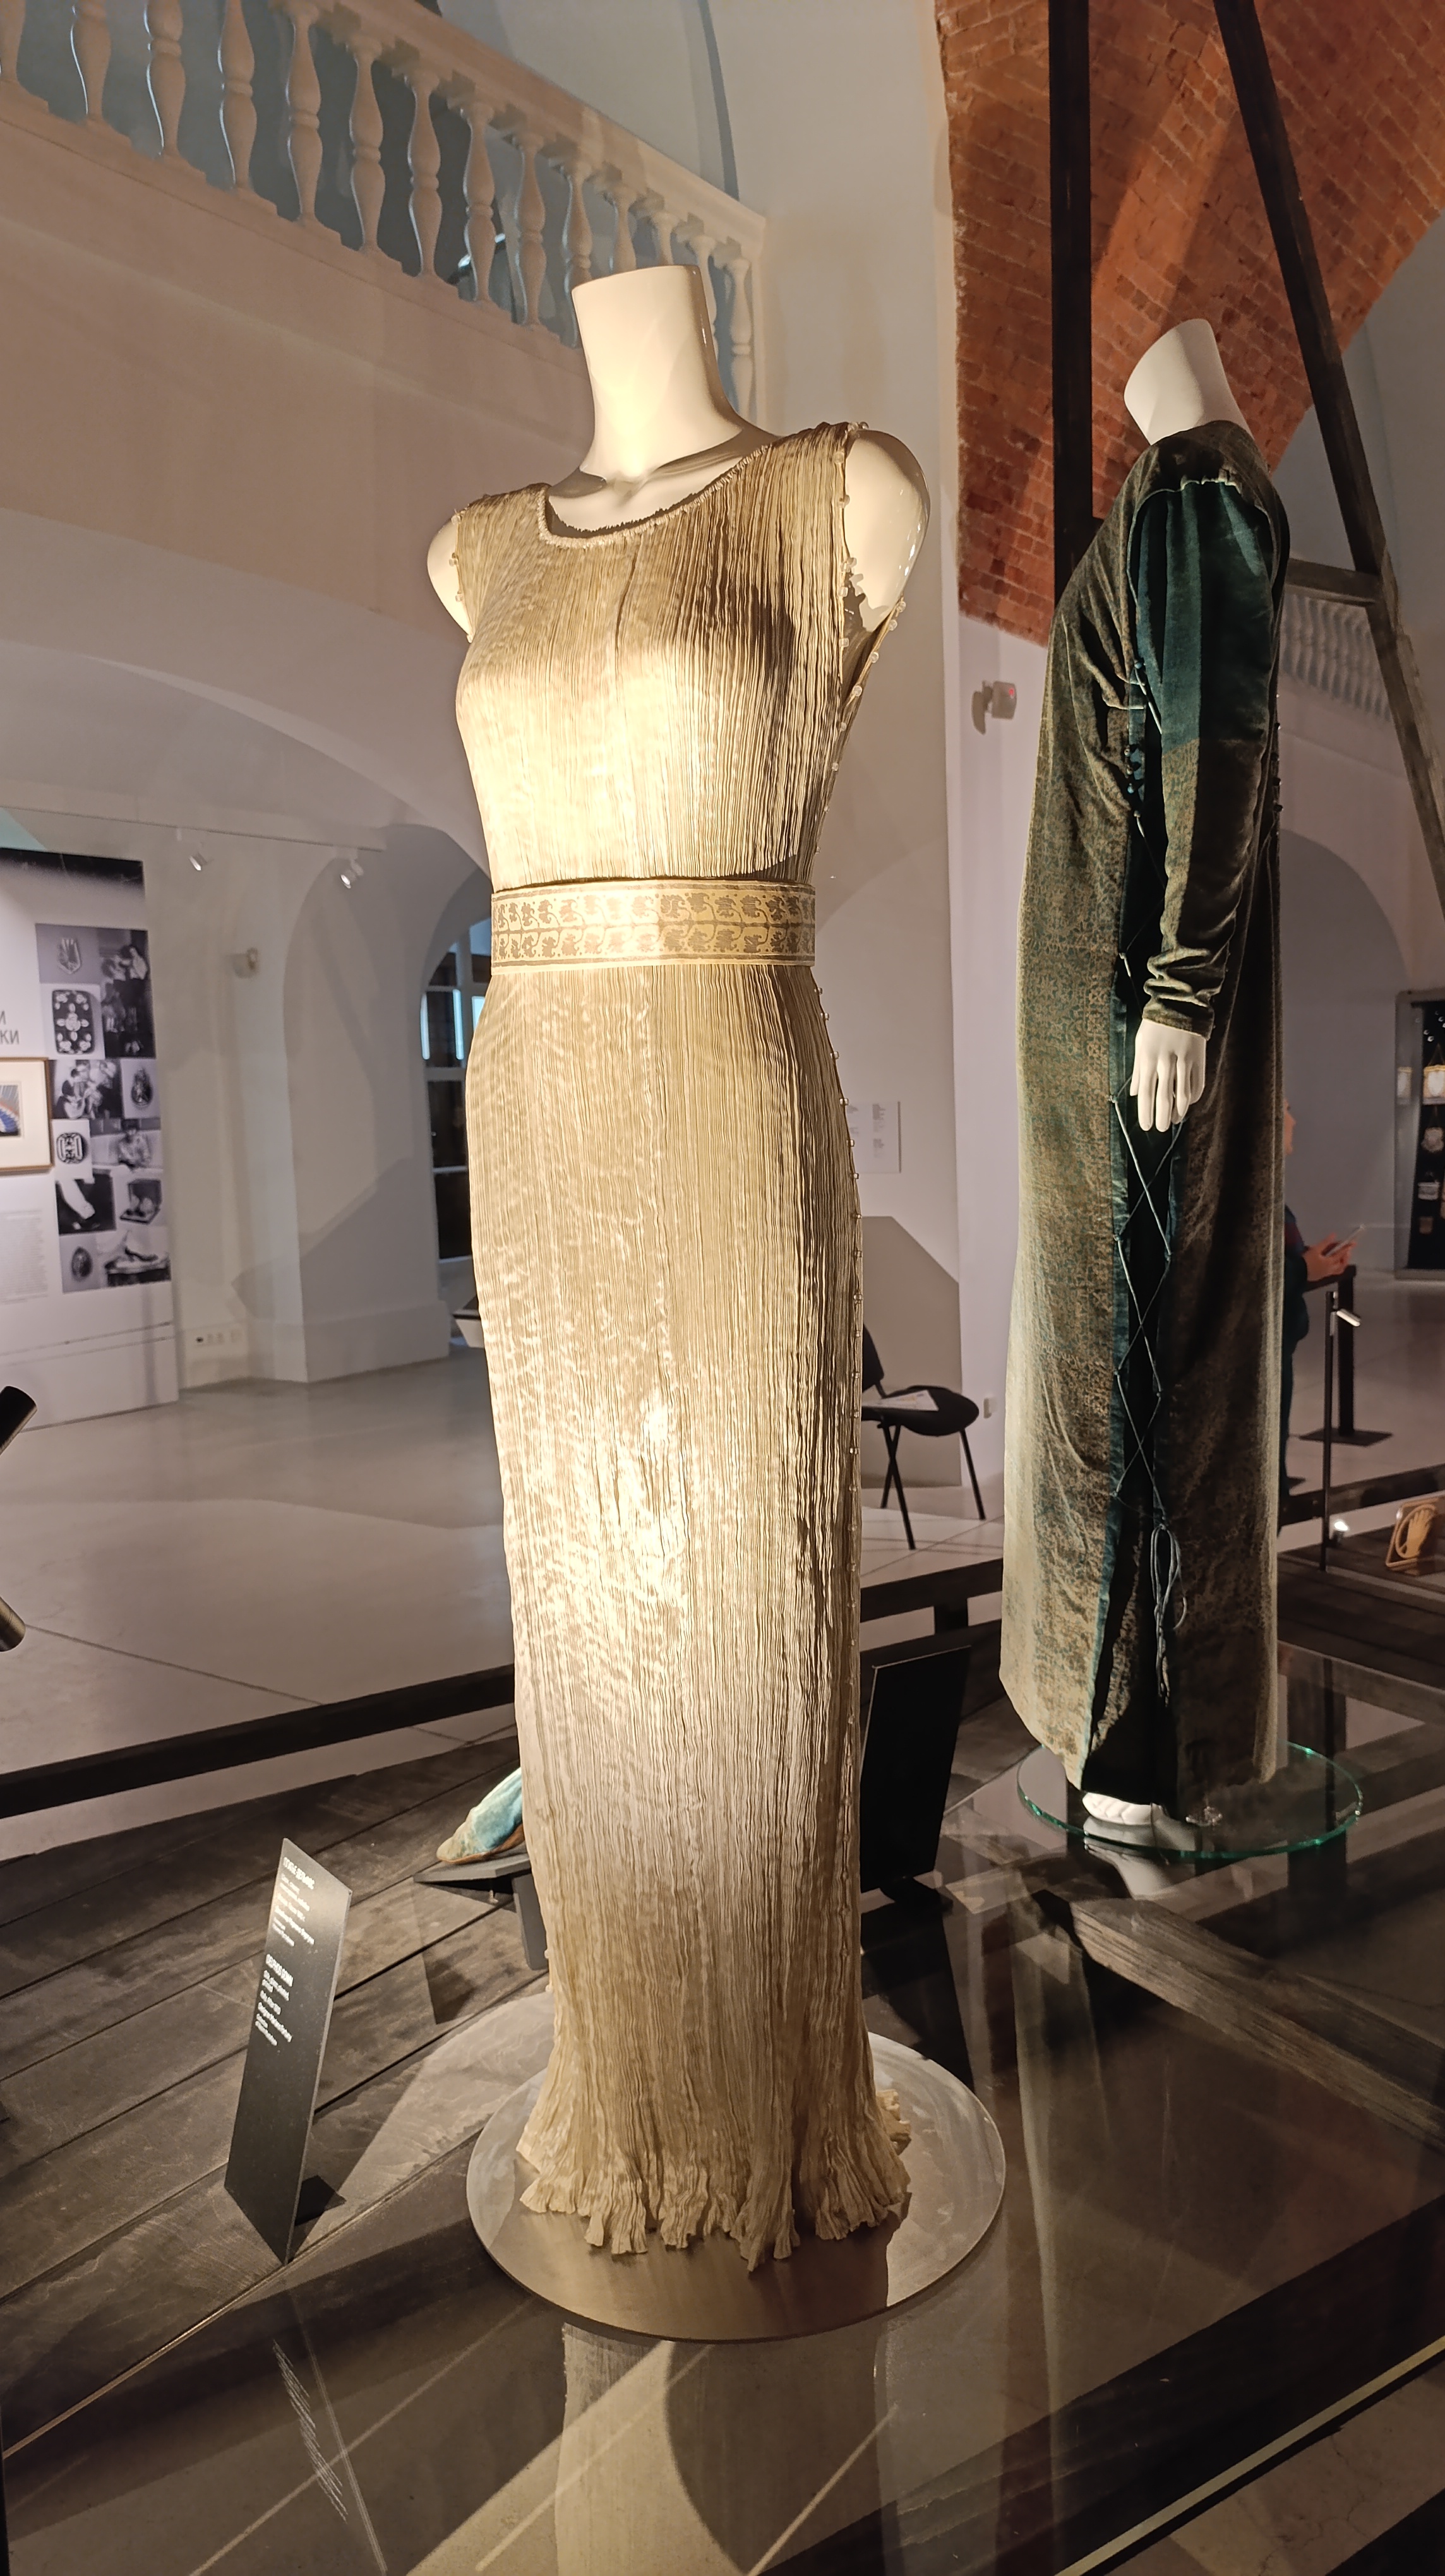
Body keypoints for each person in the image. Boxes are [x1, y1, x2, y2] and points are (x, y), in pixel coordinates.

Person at [1281, 1099, 1357, 1513]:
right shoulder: (1251, 1199)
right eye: (1284, 1110)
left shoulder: (1271, 1197)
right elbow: (1244, 1274)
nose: (1293, 1121)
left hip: (1280, 1345)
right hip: (1261, 1352)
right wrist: (1302, 1270)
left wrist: (1318, 1264)